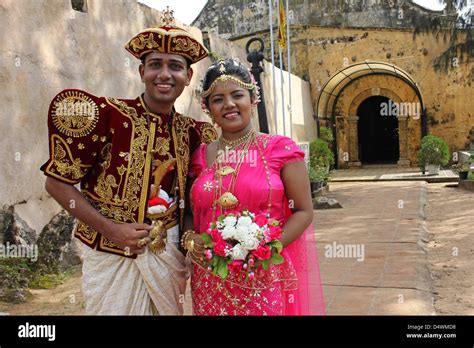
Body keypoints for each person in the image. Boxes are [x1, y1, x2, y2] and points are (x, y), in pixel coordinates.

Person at [40, 13, 217, 315]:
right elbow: (56, 183)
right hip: (110, 256)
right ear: (141, 71)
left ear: (188, 77)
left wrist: (188, 236)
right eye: (155, 65)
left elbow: (191, 195)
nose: (165, 74)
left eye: (175, 66)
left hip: (167, 255)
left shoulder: (195, 133)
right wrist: (110, 229)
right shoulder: (107, 116)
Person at [181, 58, 325, 315]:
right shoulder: (199, 157)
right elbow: (190, 214)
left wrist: (266, 250)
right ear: (207, 108)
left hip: (262, 274)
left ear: (252, 99)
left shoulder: (280, 149)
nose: (229, 105)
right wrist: (190, 237)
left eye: (238, 95)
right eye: (217, 99)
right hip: (209, 277)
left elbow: (304, 211)